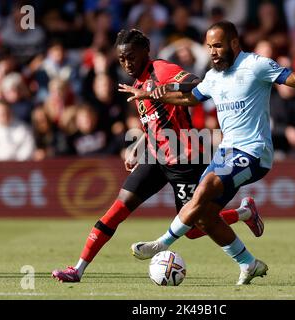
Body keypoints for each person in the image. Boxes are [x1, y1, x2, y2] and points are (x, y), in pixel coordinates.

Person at [120, 21, 295, 285]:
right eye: (209, 46)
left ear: (234, 44)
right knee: (203, 217)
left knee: (205, 189)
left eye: (218, 45)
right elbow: (189, 98)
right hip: (226, 152)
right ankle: (248, 263)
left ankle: (162, 243)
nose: (212, 52)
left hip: (255, 151)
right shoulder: (213, 76)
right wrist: (151, 95)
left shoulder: (255, 65)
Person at [52, 29, 263, 283]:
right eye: (122, 59)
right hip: (155, 159)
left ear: (145, 52)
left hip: (186, 160)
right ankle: (78, 269)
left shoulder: (161, 69)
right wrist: (140, 146)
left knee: (195, 229)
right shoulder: (138, 83)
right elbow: (154, 123)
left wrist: (162, 88)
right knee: (115, 211)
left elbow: (197, 83)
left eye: (131, 57)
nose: (127, 63)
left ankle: (243, 213)